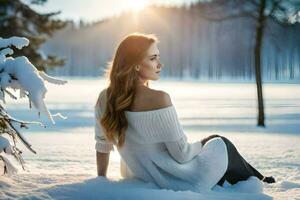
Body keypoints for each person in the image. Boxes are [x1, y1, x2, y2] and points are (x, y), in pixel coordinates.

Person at [94, 33, 275, 192]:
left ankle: (259, 180)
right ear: (136, 65)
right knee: (221, 143)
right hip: (181, 180)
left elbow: (103, 146)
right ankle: (259, 183)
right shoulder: (159, 99)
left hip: (142, 177)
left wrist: (101, 180)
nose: (160, 64)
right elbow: (181, 154)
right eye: (153, 58)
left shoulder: (105, 99)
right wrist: (202, 144)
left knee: (213, 141)